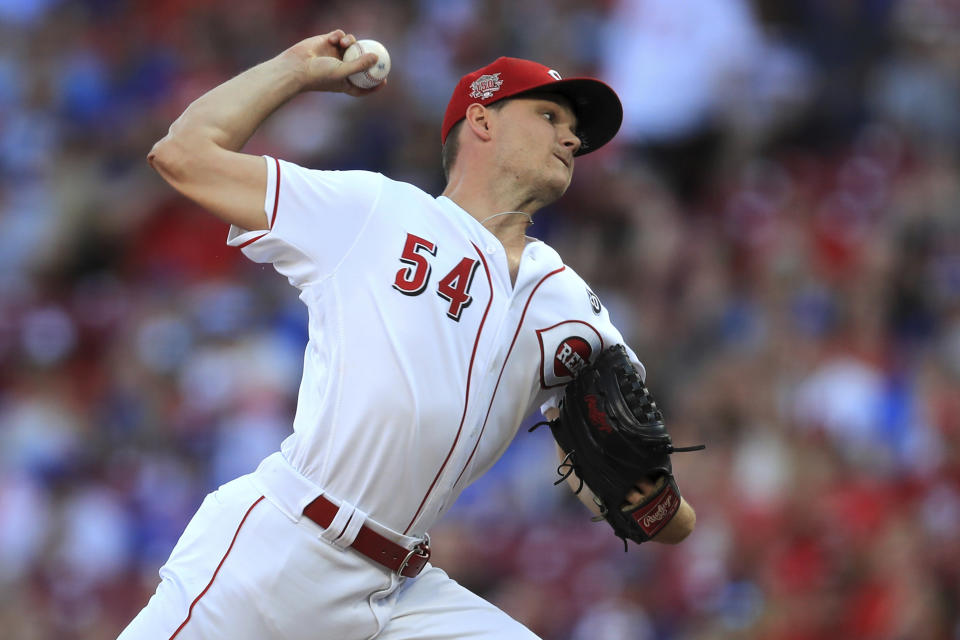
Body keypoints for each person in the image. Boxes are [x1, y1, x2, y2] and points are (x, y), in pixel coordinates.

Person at [121, 29, 696, 640]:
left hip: (401, 592)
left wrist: (655, 505)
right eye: (550, 115)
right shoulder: (373, 210)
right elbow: (183, 153)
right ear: (482, 120)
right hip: (283, 548)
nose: (572, 137)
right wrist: (293, 71)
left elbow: (626, 480)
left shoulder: (571, 304)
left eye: (575, 130)